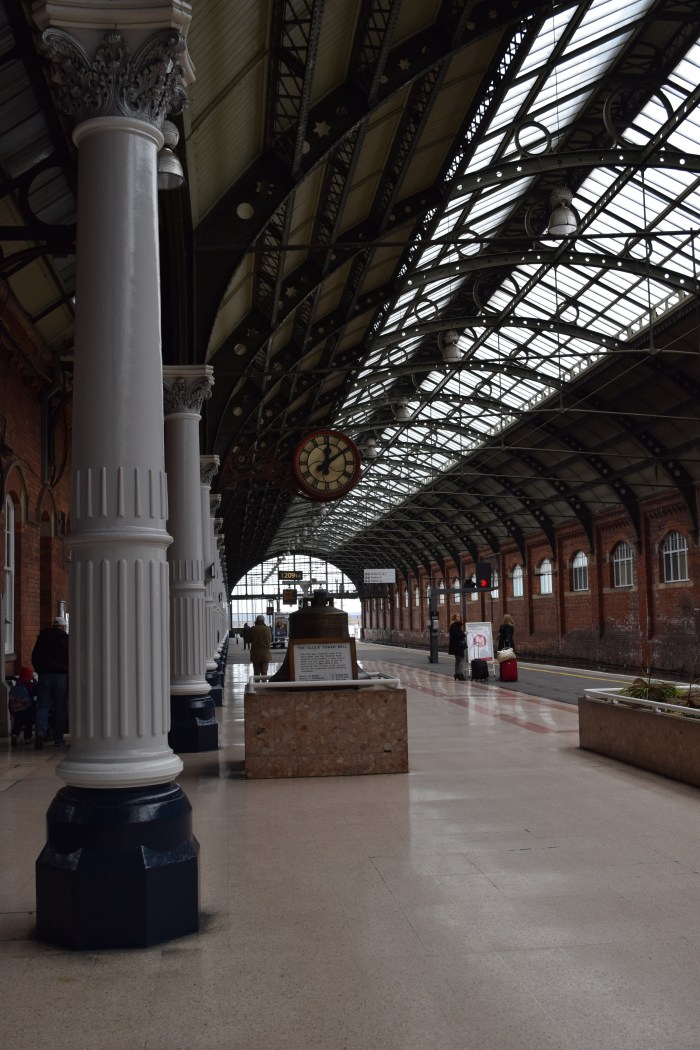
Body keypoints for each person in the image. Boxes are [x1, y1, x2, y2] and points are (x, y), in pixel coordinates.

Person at [31, 616, 69, 749]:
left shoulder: (42, 639)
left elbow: (34, 656)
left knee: (43, 706)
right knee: (60, 708)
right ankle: (58, 740)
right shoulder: (66, 640)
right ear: (63, 627)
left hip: (44, 676)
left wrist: (39, 669)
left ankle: (40, 733)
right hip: (60, 676)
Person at [8, 666, 36, 747]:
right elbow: (36, 693)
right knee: (28, 724)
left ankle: (14, 735)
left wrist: (11, 711)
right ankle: (27, 738)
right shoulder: (30, 686)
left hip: (17, 711)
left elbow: (11, 701)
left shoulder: (16, 686)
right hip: (28, 710)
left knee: (17, 724)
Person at [448, 613, 467, 681]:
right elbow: (456, 635)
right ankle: (460, 675)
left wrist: (462, 634)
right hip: (458, 645)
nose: (459, 617)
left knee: (458, 660)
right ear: (454, 617)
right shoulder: (455, 625)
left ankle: (456, 674)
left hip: (455, 645)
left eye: (459, 616)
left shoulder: (453, 625)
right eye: (457, 616)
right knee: (462, 660)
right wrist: (464, 634)